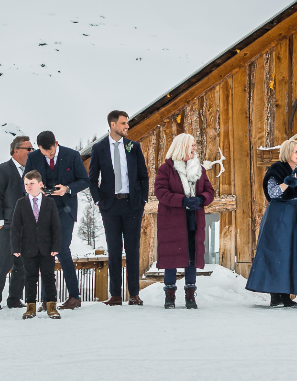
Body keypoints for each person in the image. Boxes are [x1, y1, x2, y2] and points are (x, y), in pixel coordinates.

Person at [88, 110, 151, 306]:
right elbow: (92, 179)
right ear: (113, 124)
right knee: (114, 249)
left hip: (132, 206)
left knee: (133, 250)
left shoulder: (133, 146)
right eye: (124, 123)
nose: (127, 126)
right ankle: (115, 295)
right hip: (110, 206)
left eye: (127, 123)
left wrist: (142, 201)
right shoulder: (99, 148)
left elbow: (143, 176)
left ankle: (133, 294)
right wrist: (99, 201)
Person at [246, 139, 297, 307]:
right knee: (277, 253)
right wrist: (286, 183)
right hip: (278, 215)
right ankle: (275, 295)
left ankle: (286, 294)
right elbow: (273, 193)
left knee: (292, 253)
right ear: (288, 152)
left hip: (295, 215)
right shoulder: (276, 169)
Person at [24, 130, 90, 310]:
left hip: (65, 209)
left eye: (51, 152)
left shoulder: (72, 155)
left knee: (61, 249)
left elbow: (85, 180)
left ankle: (74, 297)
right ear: (39, 148)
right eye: (45, 153)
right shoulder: (33, 158)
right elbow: (27, 183)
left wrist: (67, 189)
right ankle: (47, 300)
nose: (49, 155)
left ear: (56, 143)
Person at [155, 133, 216, 310]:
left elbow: (209, 191)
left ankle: (190, 295)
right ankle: (170, 296)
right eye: (192, 145)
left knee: (191, 256)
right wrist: (182, 200)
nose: (195, 148)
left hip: (193, 219)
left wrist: (202, 199)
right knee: (171, 258)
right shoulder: (166, 169)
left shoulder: (199, 169)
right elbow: (161, 192)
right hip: (172, 221)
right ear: (182, 146)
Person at [10, 171, 62, 320]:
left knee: (49, 276)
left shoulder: (50, 203)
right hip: (28, 247)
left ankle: (52, 307)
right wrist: (15, 248)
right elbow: (15, 228)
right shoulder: (21, 203)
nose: (28, 186)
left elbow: (56, 227)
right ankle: (30, 307)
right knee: (30, 277)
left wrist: (55, 246)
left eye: (31, 183)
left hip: (47, 248)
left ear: (40, 184)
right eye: (26, 184)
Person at [0, 135, 30, 310]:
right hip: (7, 224)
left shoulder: (32, 172)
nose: (31, 151)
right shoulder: (2, 169)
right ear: (16, 150)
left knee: (23, 264)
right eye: (28, 148)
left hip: (28, 225)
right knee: (3, 262)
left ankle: (14, 299)